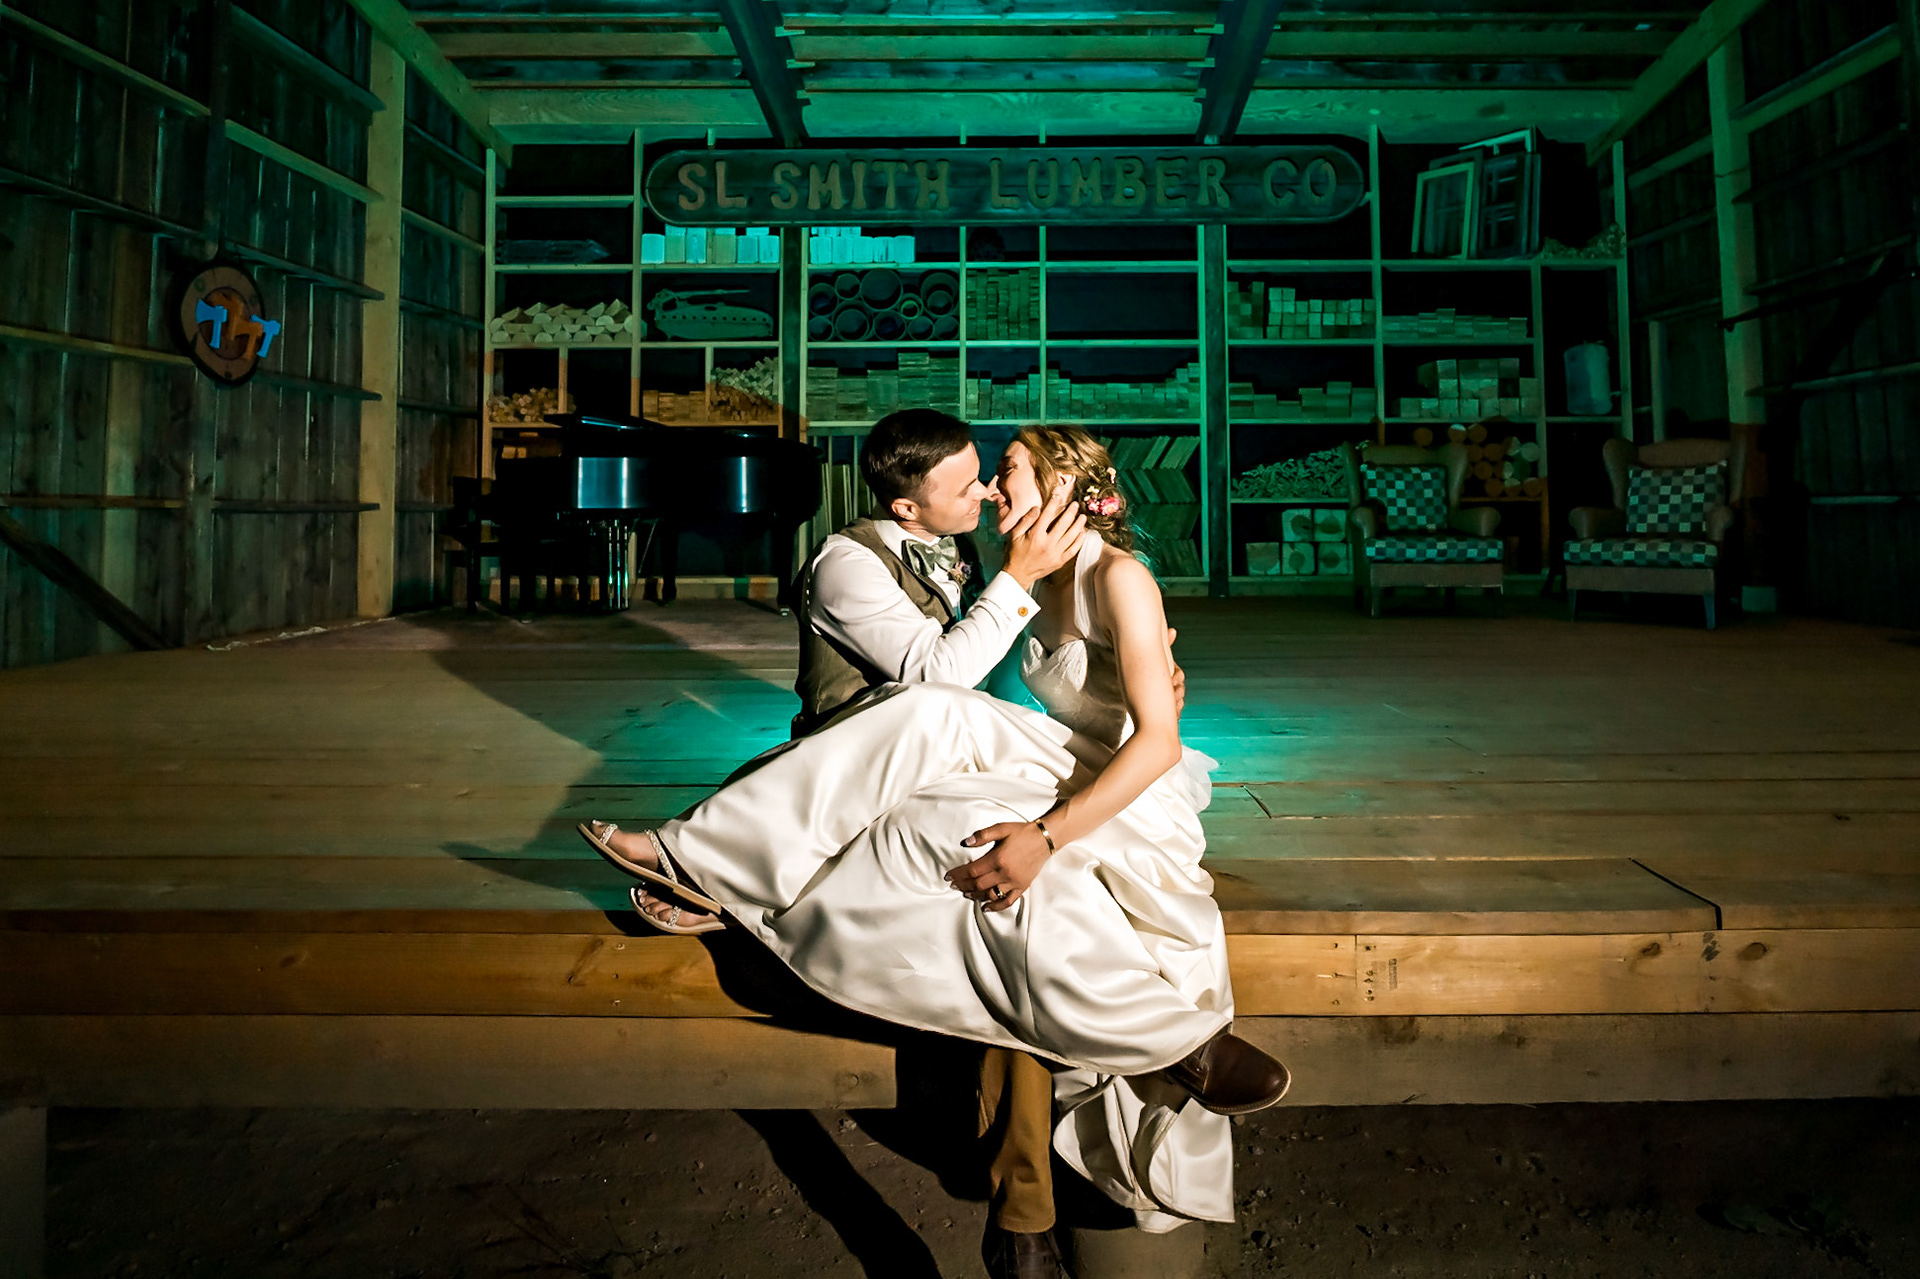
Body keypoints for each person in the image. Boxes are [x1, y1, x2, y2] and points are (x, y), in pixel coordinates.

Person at [582, 422, 1287, 1276]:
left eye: (1004, 474)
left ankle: (705, 864)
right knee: (977, 849)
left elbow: (1127, 730)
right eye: (976, 482)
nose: (991, 491)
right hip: (870, 772)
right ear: (908, 502)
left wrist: (1083, 779)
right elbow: (949, 678)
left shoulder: (1096, 577)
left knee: (997, 858)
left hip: (1081, 780)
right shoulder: (870, 562)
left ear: (1065, 487)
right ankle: (1156, 1067)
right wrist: (1028, 593)